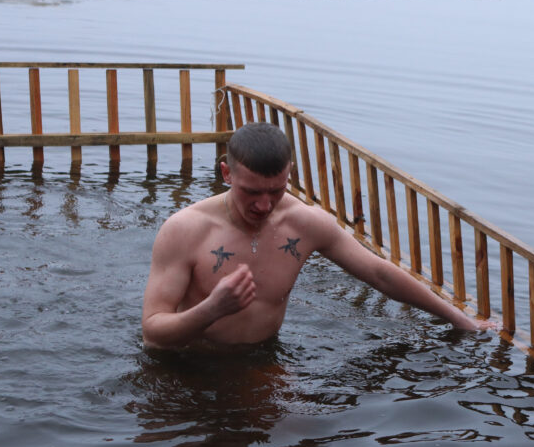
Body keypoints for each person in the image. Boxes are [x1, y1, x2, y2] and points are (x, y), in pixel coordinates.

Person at [142, 122, 485, 350]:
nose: (264, 205)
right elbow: (153, 333)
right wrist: (212, 309)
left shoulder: (304, 223)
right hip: (188, 362)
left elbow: (379, 273)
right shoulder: (186, 230)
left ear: (289, 174)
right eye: (251, 192)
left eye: (276, 191)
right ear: (226, 174)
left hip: (263, 357)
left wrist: (460, 319)